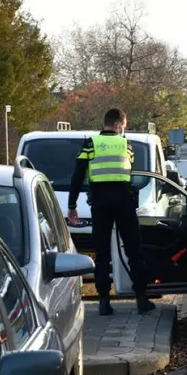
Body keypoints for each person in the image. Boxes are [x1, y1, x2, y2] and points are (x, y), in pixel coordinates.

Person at [67, 108, 154, 316]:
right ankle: (141, 299)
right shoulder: (127, 146)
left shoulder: (90, 144)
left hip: (100, 203)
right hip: (124, 202)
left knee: (102, 253)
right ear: (117, 125)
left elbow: (77, 176)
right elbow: (128, 172)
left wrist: (72, 205)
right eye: (123, 126)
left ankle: (104, 301)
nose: (124, 130)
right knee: (134, 249)